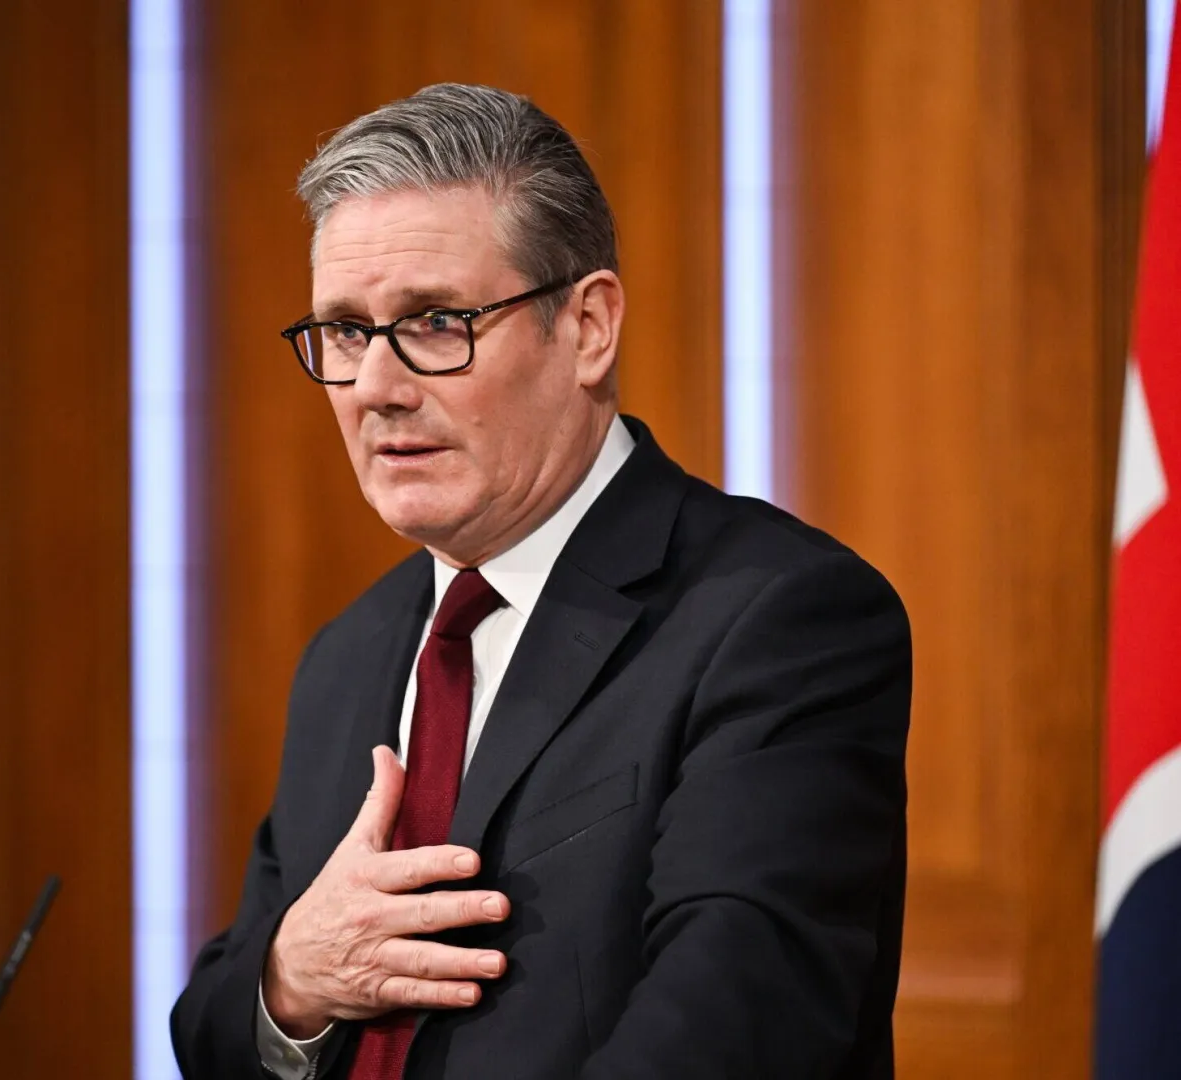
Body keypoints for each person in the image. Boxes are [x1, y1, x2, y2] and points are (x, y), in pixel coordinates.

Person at [171, 83, 912, 1079]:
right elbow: (211, 1029)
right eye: (345, 331)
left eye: (435, 320)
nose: (378, 387)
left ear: (589, 327)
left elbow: (738, 1032)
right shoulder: (348, 657)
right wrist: (294, 981)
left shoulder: (778, 618)